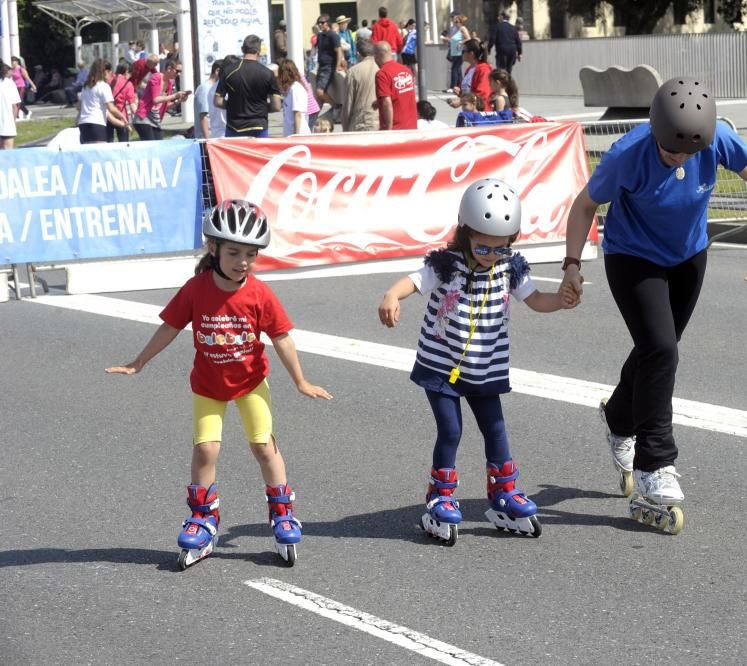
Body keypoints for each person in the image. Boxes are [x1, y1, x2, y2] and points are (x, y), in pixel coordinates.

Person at [558, 78, 747, 516]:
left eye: (689, 153)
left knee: (656, 351)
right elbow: (583, 206)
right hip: (632, 257)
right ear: (654, 132)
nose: (679, 158)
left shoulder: (718, 139)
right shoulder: (628, 153)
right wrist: (572, 265)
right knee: (661, 350)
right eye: (670, 151)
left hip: (688, 256)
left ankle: (618, 421)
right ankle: (655, 463)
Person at [106, 200, 332, 569]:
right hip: (208, 386)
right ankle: (203, 518)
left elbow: (282, 338)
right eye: (233, 252)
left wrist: (301, 380)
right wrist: (139, 361)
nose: (242, 261)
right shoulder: (196, 289)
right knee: (206, 451)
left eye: (250, 254)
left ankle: (282, 512)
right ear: (213, 248)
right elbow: (171, 327)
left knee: (263, 446)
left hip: (250, 384)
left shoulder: (259, 294)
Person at [377, 178, 576, 545]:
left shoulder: (509, 268)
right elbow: (414, 281)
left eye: (501, 248)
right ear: (464, 232)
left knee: (496, 429)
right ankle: (440, 496)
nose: (490, 254)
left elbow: (534, 300)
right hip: (441, 365)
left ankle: (504, 492)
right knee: (451, 430)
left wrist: (560, 300)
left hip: (485, 366)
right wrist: (393, 295)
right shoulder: (446, 264)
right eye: (483, 245)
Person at [214, 35, 282, 138]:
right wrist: (260, 108)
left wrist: (234, 107)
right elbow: (276, 106)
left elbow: (217, 101)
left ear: (242, 49)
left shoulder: (228, 71)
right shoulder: (268, 74)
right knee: (257, 155)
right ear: (259, 50)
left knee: (233, 154)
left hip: (234, 126)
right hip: (259, 127)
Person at [134, 56, 189, 141]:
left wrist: (179, 101)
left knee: (159, 146)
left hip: (155, 121)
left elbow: (165, 106)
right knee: (152, 147)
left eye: (180, 72)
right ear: (169, 68)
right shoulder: (156, 77)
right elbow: (156, 100)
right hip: (144, 119)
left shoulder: (170, 84)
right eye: (177, 71)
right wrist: (175, 96)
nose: (179, 74)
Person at [76, 59, 127, 144]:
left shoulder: (86, 86)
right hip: (97, 123)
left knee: (88, 154)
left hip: (83, 124)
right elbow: (111, 108)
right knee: (100, 154)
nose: (111, 75)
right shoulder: (104, 86)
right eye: (110, 72)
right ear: (106, 72)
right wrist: (122, 116)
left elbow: (79, 107)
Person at [374, 40, 417, 130]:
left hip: (396, 128)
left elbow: (387, 102)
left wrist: (388, 129)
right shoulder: (406, 70)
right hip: (411, 125)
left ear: (377, 55)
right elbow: (403, 95)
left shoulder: (382, 74)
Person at [342, 38, 379, 131]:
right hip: (378, 122)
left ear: (358, 54)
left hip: (360, 123)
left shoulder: (353, 72)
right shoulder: (380, 68)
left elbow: (348, 103)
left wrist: (345, 128)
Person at [314, 14, 344, 108]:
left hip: (329, 66)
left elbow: (339, 51)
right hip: (321, 65)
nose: (320, 24)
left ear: (328, 23)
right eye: (318, 23)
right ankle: (314, 118)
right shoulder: (319, 35)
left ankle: (336, 107)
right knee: (319, 95)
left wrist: (338, 65)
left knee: (319, 92)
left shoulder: (333, 35)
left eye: (322, 22)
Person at [277, 59, 311, 136]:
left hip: (299, 134)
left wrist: (296, 135)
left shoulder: (295, 88)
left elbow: (298, 114)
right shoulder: (291, 88)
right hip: (290, 133)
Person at [107, 62, 136, 142]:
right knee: (123, 143)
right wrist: (136, 119)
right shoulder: (128, 84)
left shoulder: (109, 79)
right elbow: (132, 105)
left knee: (108, 143)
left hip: (107, 114)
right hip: (121, 116)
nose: (130, 76)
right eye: (130, 73)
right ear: (126, 71)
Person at [193, 60, 222, 140]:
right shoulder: (205, 88)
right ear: (217, 71)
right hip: (207, 138)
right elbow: (204, 115)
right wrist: (207, 140)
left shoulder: (214, 88)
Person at [442, 14, 471, 90]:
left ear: (460, 22)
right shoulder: (458, 29)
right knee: (457, 69)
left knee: (455, 68)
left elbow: (468, 38)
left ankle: (453, 86)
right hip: (455, 52)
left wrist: (461, 42)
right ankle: (459, 85)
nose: (455, 23)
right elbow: (453, 40)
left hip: (459, 51)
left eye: (456, 21)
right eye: (455, 21)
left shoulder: (463, 28)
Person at [0, 61, 19, 149]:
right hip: (7, 125)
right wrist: (13, 122)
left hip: (6, 125)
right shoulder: (9, 83)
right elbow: (14, 107)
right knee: (7, 157)